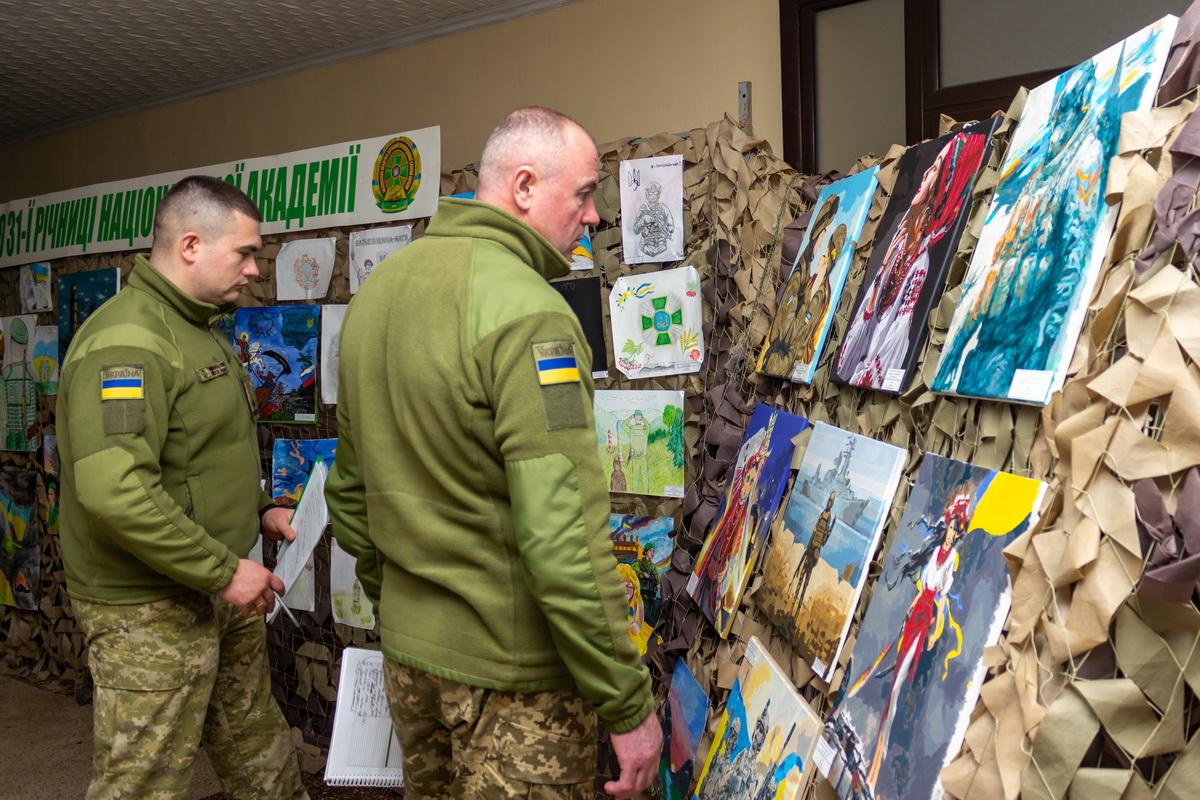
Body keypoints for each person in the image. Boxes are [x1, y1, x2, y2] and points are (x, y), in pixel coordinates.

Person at [326, 107, 661, 798]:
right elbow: (562, 540)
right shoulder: (531, 314)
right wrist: (627, 704)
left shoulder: (377, 296)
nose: (594, 215)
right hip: (512, 683)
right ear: (525, 186)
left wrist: (407, 609)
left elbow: (350, 497)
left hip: (410, 663)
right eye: (584, 193)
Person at [58, 175, 307, 800]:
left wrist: (261, 508)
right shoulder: (128, 342)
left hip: (220, 584)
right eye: (244, 253)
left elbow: (202, 450)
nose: (254, 269)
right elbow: (116, 490)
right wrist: (223, 570)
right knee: (144, 780)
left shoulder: (201, 328)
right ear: (190, 245)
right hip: (148, 606)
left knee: (260, 753)